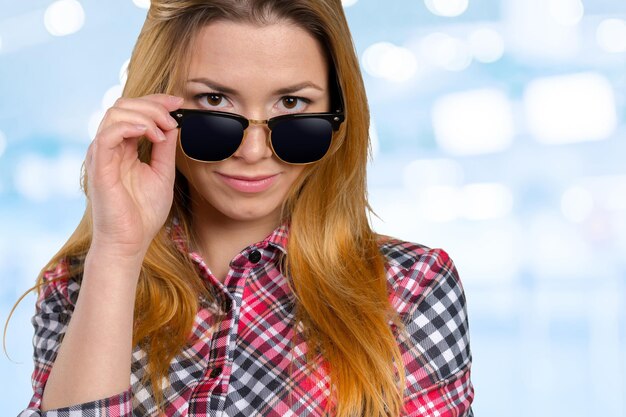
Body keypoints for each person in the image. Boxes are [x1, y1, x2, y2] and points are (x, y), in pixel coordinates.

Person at [17, 0, 474, 416]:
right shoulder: (80, 285)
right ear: (157, 109)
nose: (254, 150)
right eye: (214, 101)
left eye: (293, 103)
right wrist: (117, 254)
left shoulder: (411, 288)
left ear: (337, 118)